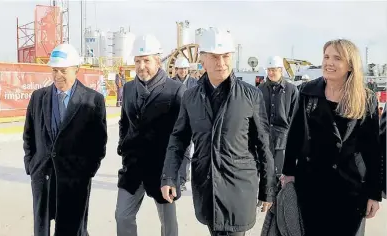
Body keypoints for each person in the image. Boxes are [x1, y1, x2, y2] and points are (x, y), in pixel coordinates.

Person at [160, 27, 275, 236]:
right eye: (214, 57)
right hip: (207, 186)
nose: (221, 62)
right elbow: (178, 140)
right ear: (202, 59)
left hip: (238, 188)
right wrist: (169, 177)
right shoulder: (191, 97)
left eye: (225, 56)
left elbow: (263, 143)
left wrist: (267, 188)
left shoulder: (251, 96)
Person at [281, 39, 383, 236]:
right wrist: (288, 173)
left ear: (350, 64)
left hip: (350, 190)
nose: (329, 62)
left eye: (337, 58)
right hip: (311, 186)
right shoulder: (307, 92)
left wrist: (373, 193)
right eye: (326, 57)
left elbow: (372, 149)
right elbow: (295, 135)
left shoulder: (365, 98)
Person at [23, 43, 107, 236]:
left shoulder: (92, 100)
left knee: (73, 229)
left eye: (63, 70)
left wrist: (86, 172)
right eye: (54, 70)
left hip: (74, 179)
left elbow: (98, 143)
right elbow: (28, 134)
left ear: (76, 69)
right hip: (42, 176)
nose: (57, 75)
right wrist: (31, 164)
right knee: (42, 228)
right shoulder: (38, 97)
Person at [115, 34, 185, 236]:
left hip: (163, 171)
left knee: (168, 224)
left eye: (146, 60)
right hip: (133, 168)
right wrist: (123, 146)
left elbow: (182, 136)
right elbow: (124, 122)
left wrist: (175, 174)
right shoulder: (128, 88)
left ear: (158, 61)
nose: (141, 66)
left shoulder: (176, 91)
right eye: (137, 61)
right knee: (122, 216)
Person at [259, 56, 299, 181]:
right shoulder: (260, 90)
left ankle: (278, 199)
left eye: (274, 70)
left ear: (281, 70)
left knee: (280, 174)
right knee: (265, 172)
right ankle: (266, 199)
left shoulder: (291, 90)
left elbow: (295, 116)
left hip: (282, 139)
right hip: (264, 138)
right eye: (269, 70)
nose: (271, 73)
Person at [172, 57, 198, 191]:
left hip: (190, 121)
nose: (182, 71)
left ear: (188, 69)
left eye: (184, 68)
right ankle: (176, 176)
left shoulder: (195, 83)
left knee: (187, 152)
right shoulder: (170, 83)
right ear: (176, 70)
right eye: (180, 69)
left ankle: (181, 180)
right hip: (175, 122)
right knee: (175, 150)